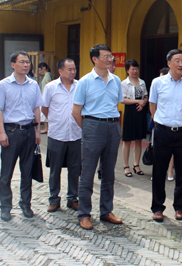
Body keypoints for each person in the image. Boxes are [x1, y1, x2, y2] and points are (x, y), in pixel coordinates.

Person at [72, 44, 124, 230]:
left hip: (113, 126)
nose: (110, 59)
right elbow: (76, 112)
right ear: (95, 59)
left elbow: (116, 103)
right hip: (93, 125)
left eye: (111, 56)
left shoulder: (116, 80)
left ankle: (106, 211)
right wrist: (88, 129)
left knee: (109, 172)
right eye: (106, 56)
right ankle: (84, 213)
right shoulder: (84, 82)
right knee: (87, 173)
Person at [0, 51, 43, 222]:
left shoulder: (34, 85)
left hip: (29, 131)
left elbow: (37, 108)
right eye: (22, 62)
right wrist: (1, 133)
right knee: (6, 173)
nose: (26, 65)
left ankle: (26, 204)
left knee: (27, 171)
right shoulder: (3, 85)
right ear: (13, 65)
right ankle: (5, 207)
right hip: (11, 132)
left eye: (27, 62)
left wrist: (37, 131)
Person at [149, 49, 182, 222]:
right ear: (169, 63)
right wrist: (160, 122)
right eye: (177, 60)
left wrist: (179, 121)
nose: (181, 64)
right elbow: (152, 105)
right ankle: (157, 208)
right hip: (162, 131)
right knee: (159, 170)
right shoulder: (157, 82)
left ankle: (180, 207)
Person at [41, 58, 81, 213]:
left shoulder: (79, 86)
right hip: (57, 134)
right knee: (55, 169)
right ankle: (54, 199)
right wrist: (56, 119)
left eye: (74, 69)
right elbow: (44, 108)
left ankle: (72, 199)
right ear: (60, 71)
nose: (73, 72)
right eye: (69, 69)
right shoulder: (51, 87)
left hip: (76, 134)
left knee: (75, 169)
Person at [121, 59, 149, 177]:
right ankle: (126, 166)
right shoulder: (124, 83)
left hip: (141, 112)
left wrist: (143, 103)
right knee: (127, 140)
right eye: (132, 69)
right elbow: (123, 99)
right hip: (130, 112)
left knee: (139, 139)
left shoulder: (142, 82)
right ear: (127, 70)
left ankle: (136, 165)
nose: (134, 71)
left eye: (136, 68)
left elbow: (146, 96)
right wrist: (138, 101)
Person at [97, 58, 118, 180]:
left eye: (114, 65)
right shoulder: (89, 81)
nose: (113, 67)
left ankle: (103, 170)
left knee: (108, 152)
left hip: (111, 122)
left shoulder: (116, 81)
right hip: (96, 122)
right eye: (111, 65)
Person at [38, 62, 53, 134]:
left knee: (44, 111)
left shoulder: (47, 75)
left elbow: (48, 84)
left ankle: (46, 128)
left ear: (44, 67)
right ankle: (46, 127)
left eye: (40, 68)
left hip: (45, 96)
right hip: (43, 95)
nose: (39, 70)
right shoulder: (46, 75)